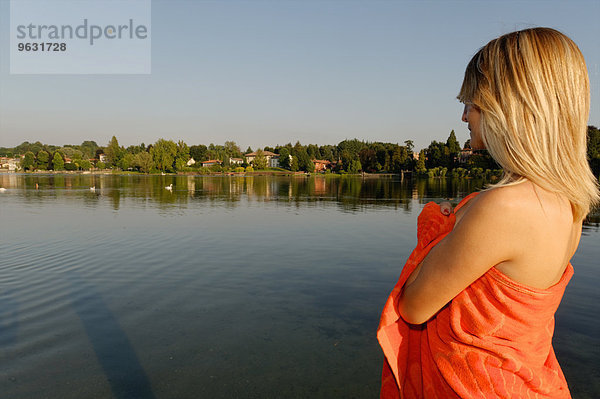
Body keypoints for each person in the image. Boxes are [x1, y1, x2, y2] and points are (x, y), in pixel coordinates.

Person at [377, 27, 599, 399]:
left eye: (471, 104)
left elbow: (414, 306)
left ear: (511, 108)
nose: (464, 117)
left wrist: (439, 224)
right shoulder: (568, 204)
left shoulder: (505, 207)